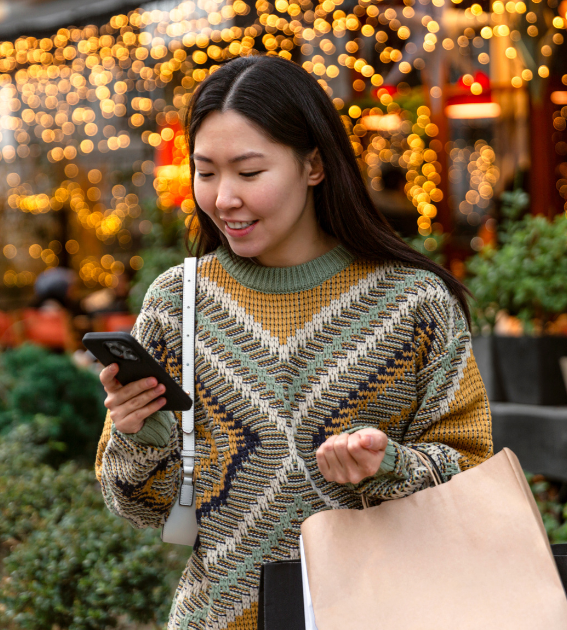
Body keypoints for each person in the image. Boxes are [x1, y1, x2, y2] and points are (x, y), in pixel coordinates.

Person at [95, 55, 493, 630]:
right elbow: (137, 507)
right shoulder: (176, 302)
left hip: (382, 614)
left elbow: (474, 475)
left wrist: (388, 466)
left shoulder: (413, 304)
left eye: (249, 173)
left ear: (313, 164)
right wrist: (141, 434)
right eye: (206, 172)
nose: (223, 197)